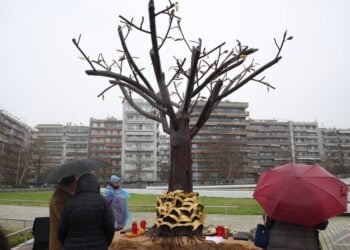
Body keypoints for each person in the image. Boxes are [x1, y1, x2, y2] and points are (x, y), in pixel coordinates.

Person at [57, 173, 115, 250]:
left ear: (78, 185)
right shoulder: (102, 201)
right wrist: (104, 243)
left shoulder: (69, 203)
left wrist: (68, 244)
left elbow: (61, 230)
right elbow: (110, 226)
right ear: (96, 185)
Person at [49, 175, 77, 250]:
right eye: (76, 183)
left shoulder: (64, 195)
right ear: (72, 184)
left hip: (64, 242)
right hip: (60, 244)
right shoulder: (60, 198)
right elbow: (65, 221)